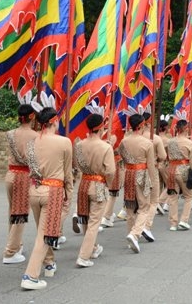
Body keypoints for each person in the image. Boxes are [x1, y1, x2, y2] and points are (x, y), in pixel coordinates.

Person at [20, 94, 73, 290]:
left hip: (34, 189)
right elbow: (68, 172)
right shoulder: (64, 142)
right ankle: (30, 275)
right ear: (54, 121)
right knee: (45, 233)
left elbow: (29, 163)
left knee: (44, 230)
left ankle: (49, 262)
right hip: (53, 190)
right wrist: (69, 192)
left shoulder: (32, 143)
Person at [73, 103, 115, 267]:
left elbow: (77, 165)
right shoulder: (105, 147)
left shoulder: (79, 145)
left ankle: (92, 248)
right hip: (98, 185)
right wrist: (109, 185)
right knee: (94, 222)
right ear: (101, 127)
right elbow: (110, 171)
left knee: (85, 218)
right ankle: (84, 256)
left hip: (84, 183)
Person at [3, 94, 39, 264]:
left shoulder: (10, 133)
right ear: (32, 117)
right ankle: (10, 251)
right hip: (24, 176)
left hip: (10, 175)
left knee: (13, 212)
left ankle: (16, 244)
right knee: (20, 214)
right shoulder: (35, 136)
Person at [118, 105, 157, 252]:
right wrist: (153, 182)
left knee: (130, 208)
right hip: (141, 174)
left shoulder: (124, 141)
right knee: (143, 207)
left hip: (129, 173)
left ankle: (131, 236)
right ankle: (135, 234)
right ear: (141, 125)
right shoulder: (147, 143)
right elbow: (151, 165)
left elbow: (121, 156)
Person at [166, 112, 192, 231]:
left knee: (173, 197)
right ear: (185, 129)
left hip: (172, 169)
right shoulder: (190, 143)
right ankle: (184, 220)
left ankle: (173, 223)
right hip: (184, 169)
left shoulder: (170, 142)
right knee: (189, 196)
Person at [142, 109, 166, 237]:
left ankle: (136, 228)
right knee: (153, 201)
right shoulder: (155, 139)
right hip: (152, 170)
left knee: (139, 202)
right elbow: (162, 156)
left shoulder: (131, 138)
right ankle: (146, 226)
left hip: (135, 171)